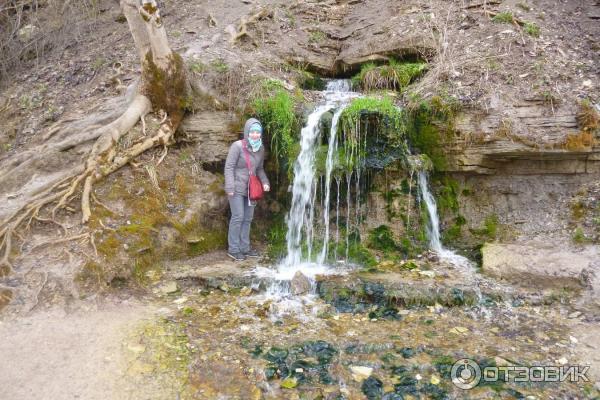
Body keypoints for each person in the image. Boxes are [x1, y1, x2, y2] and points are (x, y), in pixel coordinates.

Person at [224, 118, 270, 261]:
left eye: (258, 132)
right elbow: (229, 167)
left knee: (248, 218)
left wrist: (265, 182)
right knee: (238, 217)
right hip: (237, 187)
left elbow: (260, 168)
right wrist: (230, 186)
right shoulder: (237, 146)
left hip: (251, 189)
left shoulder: (260, 149)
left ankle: (245, 248)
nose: (255, 134)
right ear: (247, 132)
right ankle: (233, 249)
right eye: (252, 132)